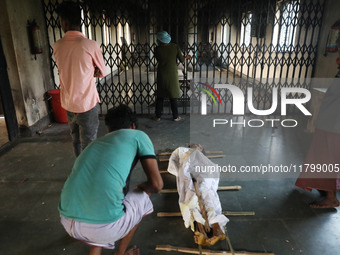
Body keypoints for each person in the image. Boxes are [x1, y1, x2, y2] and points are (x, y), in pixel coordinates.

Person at [58, 104, 163, 255]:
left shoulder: (93, 145)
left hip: (68, 222)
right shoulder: (138, 136)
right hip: (104, 227)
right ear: (133, 126)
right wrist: (142, 188)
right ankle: (120, 253)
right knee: (142, 198)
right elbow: (157, 184)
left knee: (107, 202)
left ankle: (98, 244)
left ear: (108, 130)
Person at [53, 2, 106, 157]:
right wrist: (90, 70)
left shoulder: (57, 46)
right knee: (89, 143)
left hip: (69, 103)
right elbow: (102, 71)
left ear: (65, 22)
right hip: (87, 103)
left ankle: (78, 169)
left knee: (75, 140)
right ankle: (88, 174)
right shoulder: (90, 45)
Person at [295, 48, 340, 208]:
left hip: (334, 125)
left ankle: (331, 197)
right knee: (324, 156)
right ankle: (328, 190)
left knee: (329, 158)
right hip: (331, 122)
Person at [154, 31, 190, 121]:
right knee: (173, 96)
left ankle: (158, 116)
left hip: (161, 74)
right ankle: (175, 116)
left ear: (159, 40)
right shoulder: (174, 47)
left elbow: (160, 60)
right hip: (172, 75)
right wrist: (186, 57)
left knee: (160, 96)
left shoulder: (156, 49)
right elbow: (181, 59)